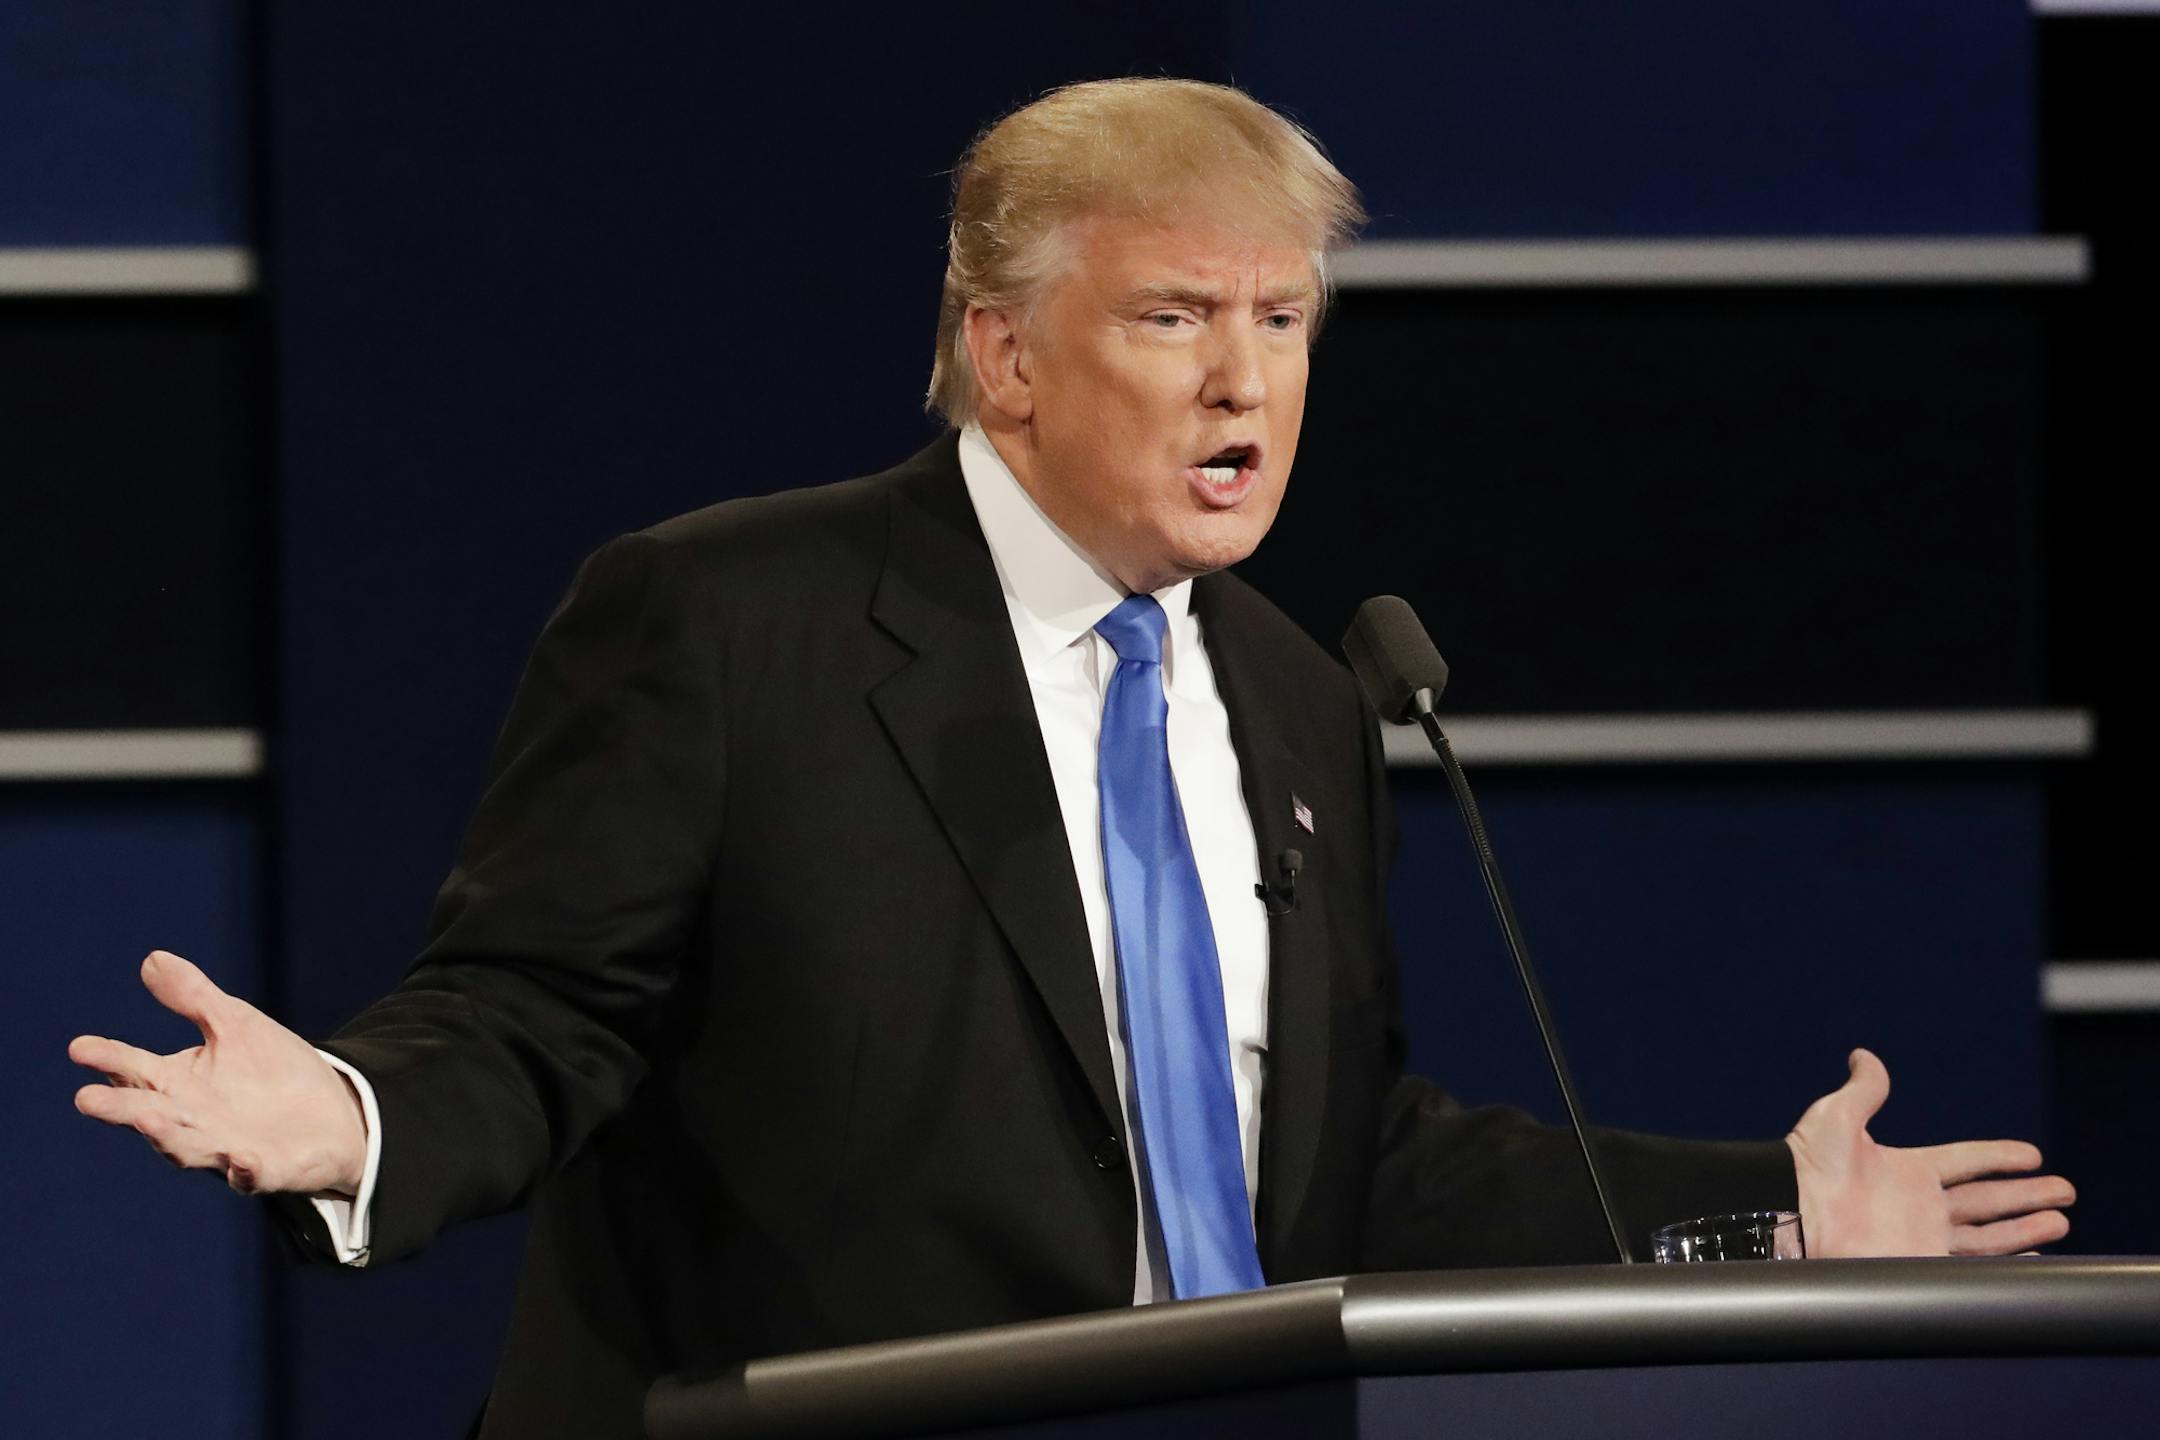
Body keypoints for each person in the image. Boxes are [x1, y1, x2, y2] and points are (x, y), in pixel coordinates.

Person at [68, 78, 2073, 1438]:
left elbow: (1344, 1160)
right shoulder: (729, 621)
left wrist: (1768, 1213)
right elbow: (539, 1013)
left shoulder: (1298, 695)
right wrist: (353, 1111)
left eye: (1284, 323)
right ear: (1007, 354)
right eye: (1177, 316)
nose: (1245, 383)